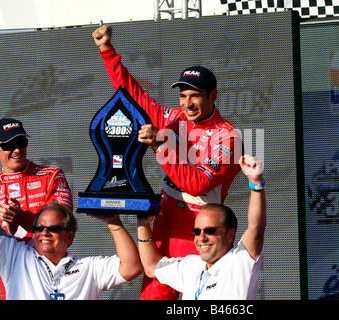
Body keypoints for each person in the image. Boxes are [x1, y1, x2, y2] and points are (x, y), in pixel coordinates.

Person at [93, 25, 242, 299]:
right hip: (163, 219)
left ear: (213, 96)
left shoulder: (228, 137)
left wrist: (161, 146)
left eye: (195, 95)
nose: (188, 103)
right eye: (183, 95)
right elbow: (133, 96)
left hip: (197, 227)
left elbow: (195, 183)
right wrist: (107, 51)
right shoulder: (173, 117)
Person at [0, 145, 142, 299]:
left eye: (53, 228)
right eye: (38, 228)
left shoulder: (87, 268)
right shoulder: (15, 258)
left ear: (69, 237)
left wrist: (114, 222)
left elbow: (132, 267)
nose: (44, 233)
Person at [136, 154, 265, 300]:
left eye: (210, 230)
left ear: (230, 235)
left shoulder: (238, 264)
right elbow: (151, 267)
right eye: (196, 231)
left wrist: (256, 184)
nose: (202, 238)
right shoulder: (191, 266)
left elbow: (256, 230)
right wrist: (143, 223)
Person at [0, 117, 73, 299]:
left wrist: (22, 218)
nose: (17, 150)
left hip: (55, 279)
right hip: (14, 283)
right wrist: (4, 231)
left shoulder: (51, 176)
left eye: (22, 142)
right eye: (10, 145)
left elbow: (64, 224)